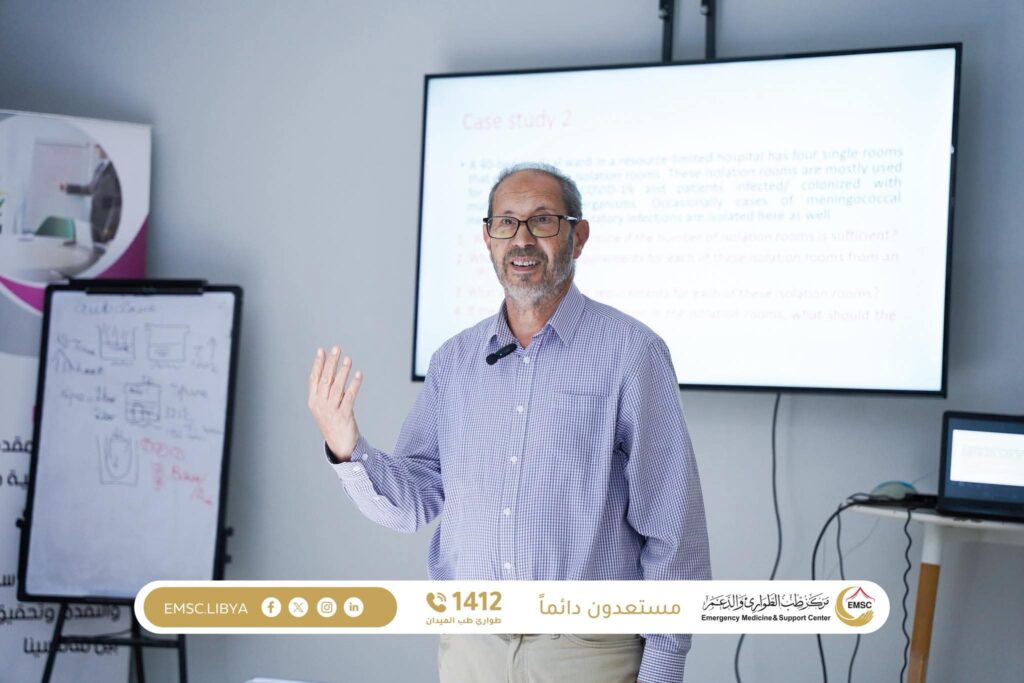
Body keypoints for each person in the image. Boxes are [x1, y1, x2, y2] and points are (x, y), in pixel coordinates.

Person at [308, 162, 711, 683]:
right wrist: (347, 447)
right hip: (470, 650)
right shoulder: (455, 361)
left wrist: (664, 665)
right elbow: (413, 504)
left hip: (586, 652)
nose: (522, 239)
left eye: (542, 220)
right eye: (505, 223)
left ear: (578, 236)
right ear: (488, 238)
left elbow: (674, 526)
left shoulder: (632, 353)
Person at [60, 144, 122, 244]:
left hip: (107, 223)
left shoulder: (116, 169)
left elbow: (118, 202)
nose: (95, 149)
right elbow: (90, 189)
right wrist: (68, 187)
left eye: (98, 146)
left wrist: (110, 228)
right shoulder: (100, 167)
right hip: (96, 219)